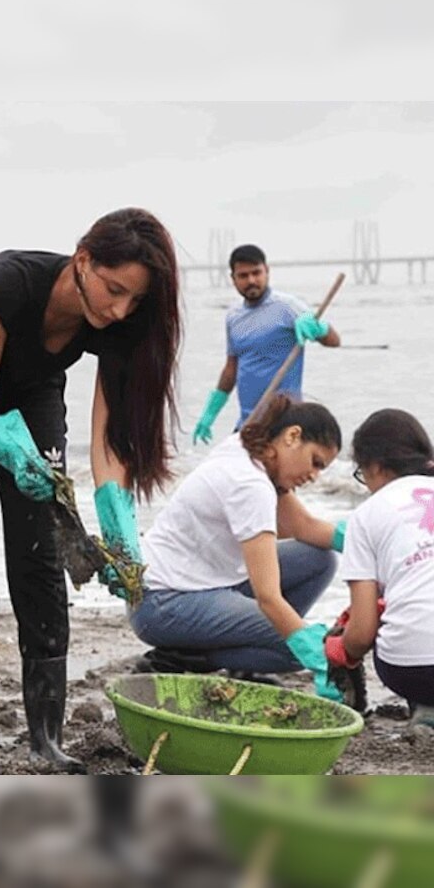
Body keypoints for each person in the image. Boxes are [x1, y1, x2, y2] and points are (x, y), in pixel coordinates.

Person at [0, 208, 183, 772]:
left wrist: (118, 521)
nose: (119, 309)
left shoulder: (118, 326)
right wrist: (1, 442)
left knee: (42, 552)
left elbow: (108, 446)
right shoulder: (10, 283)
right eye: (113, 289)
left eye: (134, 301)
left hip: (30, 390)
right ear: (83, 260)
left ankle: (45, 739)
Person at [131, 396, 344, 700]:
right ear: (292, 436)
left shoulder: (244, 449)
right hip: (164, 603)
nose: (314, 476)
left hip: (202, 584)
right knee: (295, 648)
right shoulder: (250, 485)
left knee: (319, 560)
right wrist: (314, 652)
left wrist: (364, 540)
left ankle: (243, 662)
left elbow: (304, 528)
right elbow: (269, 597)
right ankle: (185, 658)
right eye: (315, 462)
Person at [329, 409, 434, 723]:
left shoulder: (366, 515)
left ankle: (426, 706)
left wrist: (339, 650)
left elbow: (361, 634)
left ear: (374, 464)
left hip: (412, 670)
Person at [193, 244, 341, 442]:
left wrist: (319, 328)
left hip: (284, 420)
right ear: (233, 279)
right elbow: (231, 368)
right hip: (249, 422)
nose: (251, 280)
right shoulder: (233, 317)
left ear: (267, 271)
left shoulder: (288, 306)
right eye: (243, 275)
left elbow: (334, 341)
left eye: (256, 273)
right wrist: (209, 414)